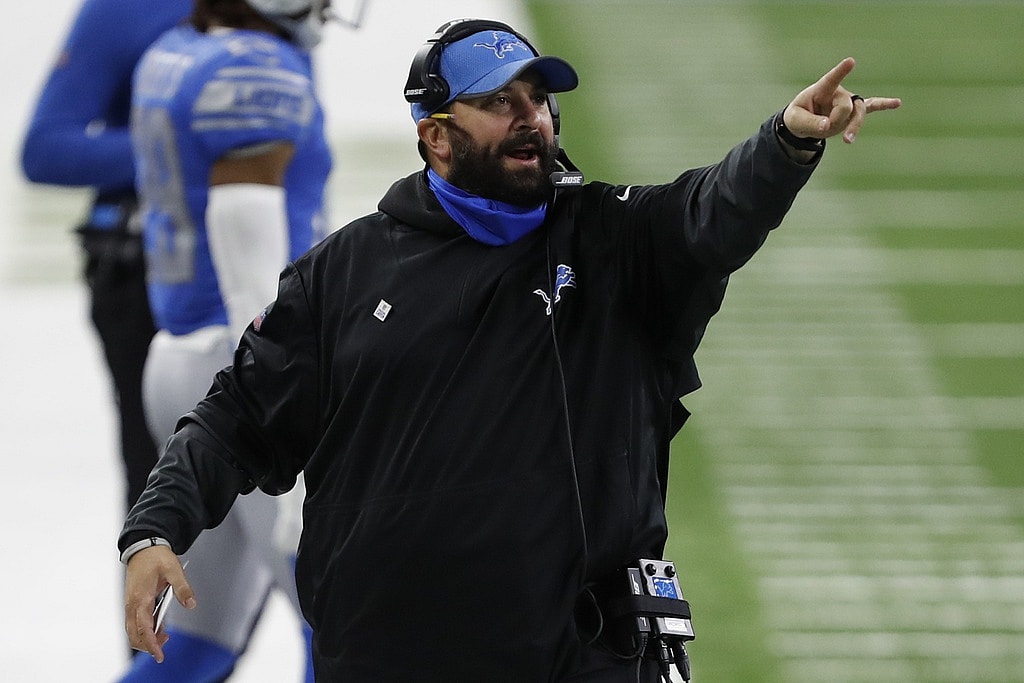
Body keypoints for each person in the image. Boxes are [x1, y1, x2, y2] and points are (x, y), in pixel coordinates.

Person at [119, 17, 901, 683]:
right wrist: (156, 530)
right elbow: (234, 420)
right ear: (437, 136)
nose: (532, 118)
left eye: (540, 99)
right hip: (389, 655)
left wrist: (788, 142)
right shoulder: (346, 272)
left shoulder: (616, 242)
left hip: (581, 652)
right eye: (499, 103)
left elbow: (714, 209)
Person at [115, 0, 334, 681]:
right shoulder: (256, 68)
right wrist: (278, 396)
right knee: (337, 627)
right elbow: (246, 233)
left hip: (180, 349)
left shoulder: (176, 51)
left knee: (197, 643)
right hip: (243, 365)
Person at [21, 0, 190, 524]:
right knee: (163, 483)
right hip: (143, 275)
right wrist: (192, 147)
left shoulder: (286, 13)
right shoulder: (124, 8)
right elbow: (45, 149)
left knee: (293, 485)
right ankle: (157, 605)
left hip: (268, 271)